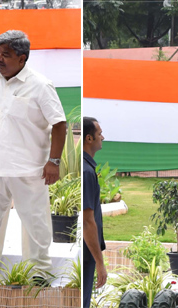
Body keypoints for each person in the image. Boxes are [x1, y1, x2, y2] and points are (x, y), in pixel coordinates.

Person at [0, 30, 68, 282]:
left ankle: (39, 273)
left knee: (35, 222)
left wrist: (54, 162)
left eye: (6, 54)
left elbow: (59, 124)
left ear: (22, 58)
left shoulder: (40, 85)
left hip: (29, 167)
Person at [82, 117, 106, 308]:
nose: (102, 137)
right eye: (99, 134)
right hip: (87, 252)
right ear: (89, 138)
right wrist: (100, 262)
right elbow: (87, 222)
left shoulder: (86, 167)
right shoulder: (87, 172)